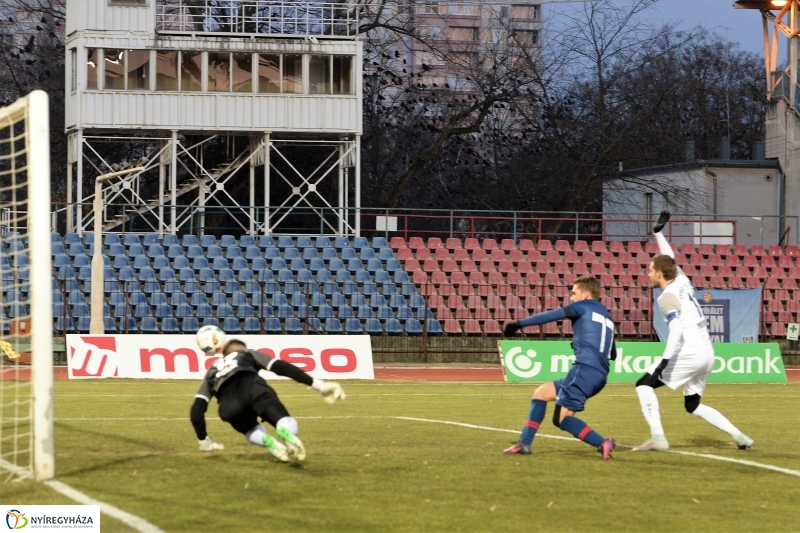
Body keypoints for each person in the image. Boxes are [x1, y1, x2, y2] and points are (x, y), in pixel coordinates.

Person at [633, 210, 753, 451]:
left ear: (659, 273)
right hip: (707, 353)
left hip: (690, 352)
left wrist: (663, 362)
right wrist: (658, 233)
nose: (647, 274)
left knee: (643, 385)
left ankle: (658, 438)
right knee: (693, 405)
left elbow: (675, 329)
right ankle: (740, 437)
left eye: (649, 270)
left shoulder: (666, 296)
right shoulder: (681, 279)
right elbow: (669, 257)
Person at [502, 275, 618, 460]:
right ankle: (524, 444)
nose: (571, 298)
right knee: (541, 393)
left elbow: (552, 315)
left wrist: (519, 324)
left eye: (574, 293)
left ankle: (602, 442)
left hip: (583, 370)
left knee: (562, 419)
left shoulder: (582, 307)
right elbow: (613, 354)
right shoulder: (607, 316)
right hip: (598, 375)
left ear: (586, 294)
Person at [190, 339, 346, 462]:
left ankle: (267, 440)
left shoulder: (211, 371)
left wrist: (203, 440)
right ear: (243, 349)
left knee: (250, 430)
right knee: (284, 420)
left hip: (228, 405)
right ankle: (285, 430)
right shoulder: (247, 354)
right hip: (253, 387)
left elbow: (197, 410)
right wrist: (320, 385)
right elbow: (281, 367)